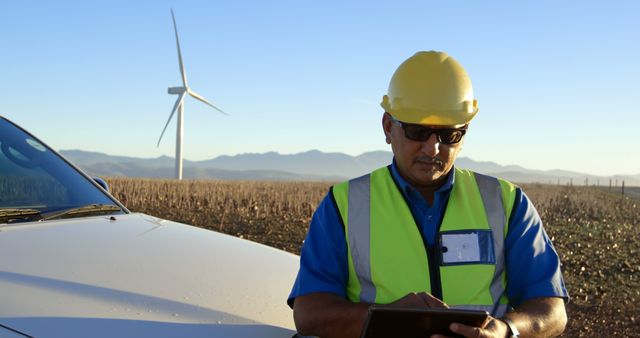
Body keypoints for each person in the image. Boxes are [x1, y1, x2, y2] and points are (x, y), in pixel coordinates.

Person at [288, 51, 568, 338]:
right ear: (388, 127)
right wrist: (388, 319)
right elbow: (310, 313)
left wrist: (506, 331)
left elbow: (552, 312)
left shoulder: (507, 203)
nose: (433, 149)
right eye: (417, 131)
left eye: (448, 135)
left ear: (464, 133)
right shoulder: (344, 204)